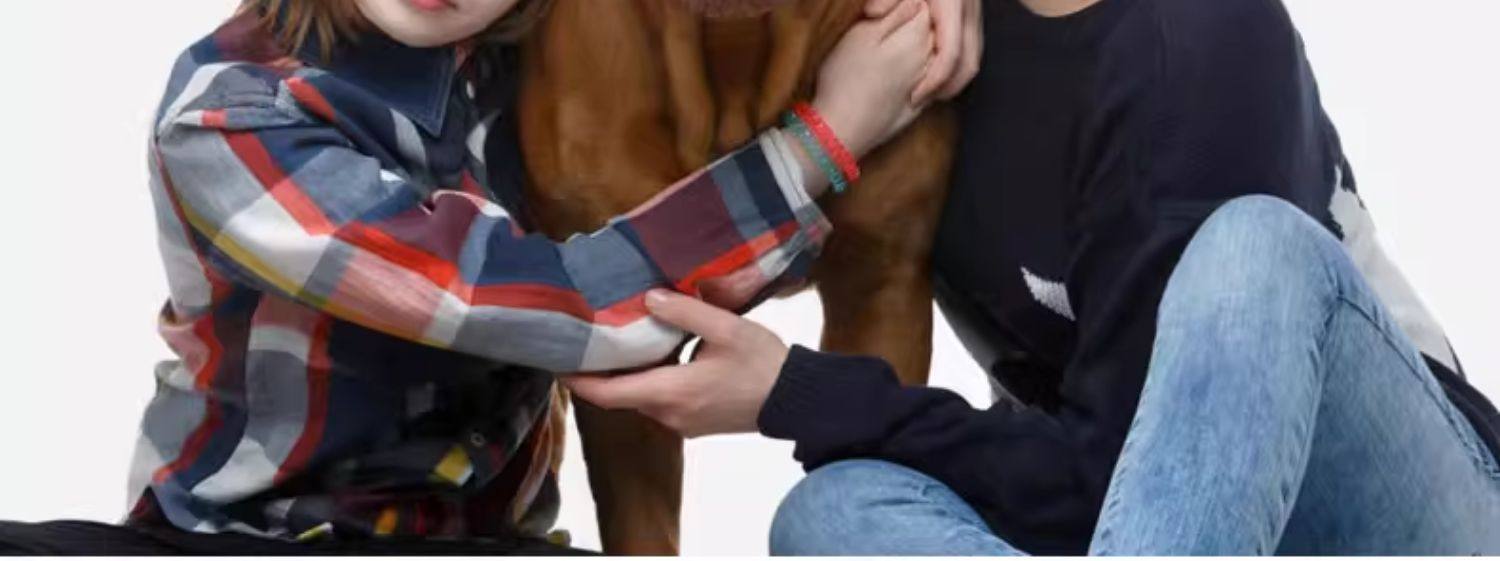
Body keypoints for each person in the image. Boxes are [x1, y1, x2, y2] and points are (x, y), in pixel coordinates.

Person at [0, 0, 941, 554]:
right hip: (254, 538)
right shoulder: (232, 117)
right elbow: (567, 307)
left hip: (498, 541)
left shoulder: (519, 55)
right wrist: (823, 142)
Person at [566, 0, 1500, 555]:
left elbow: (1114, 471)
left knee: (1254, 249)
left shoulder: (1202, 36)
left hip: (1400, 518)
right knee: (834, 517)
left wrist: (794, 391)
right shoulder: (928, 37)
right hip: (1117, 521)